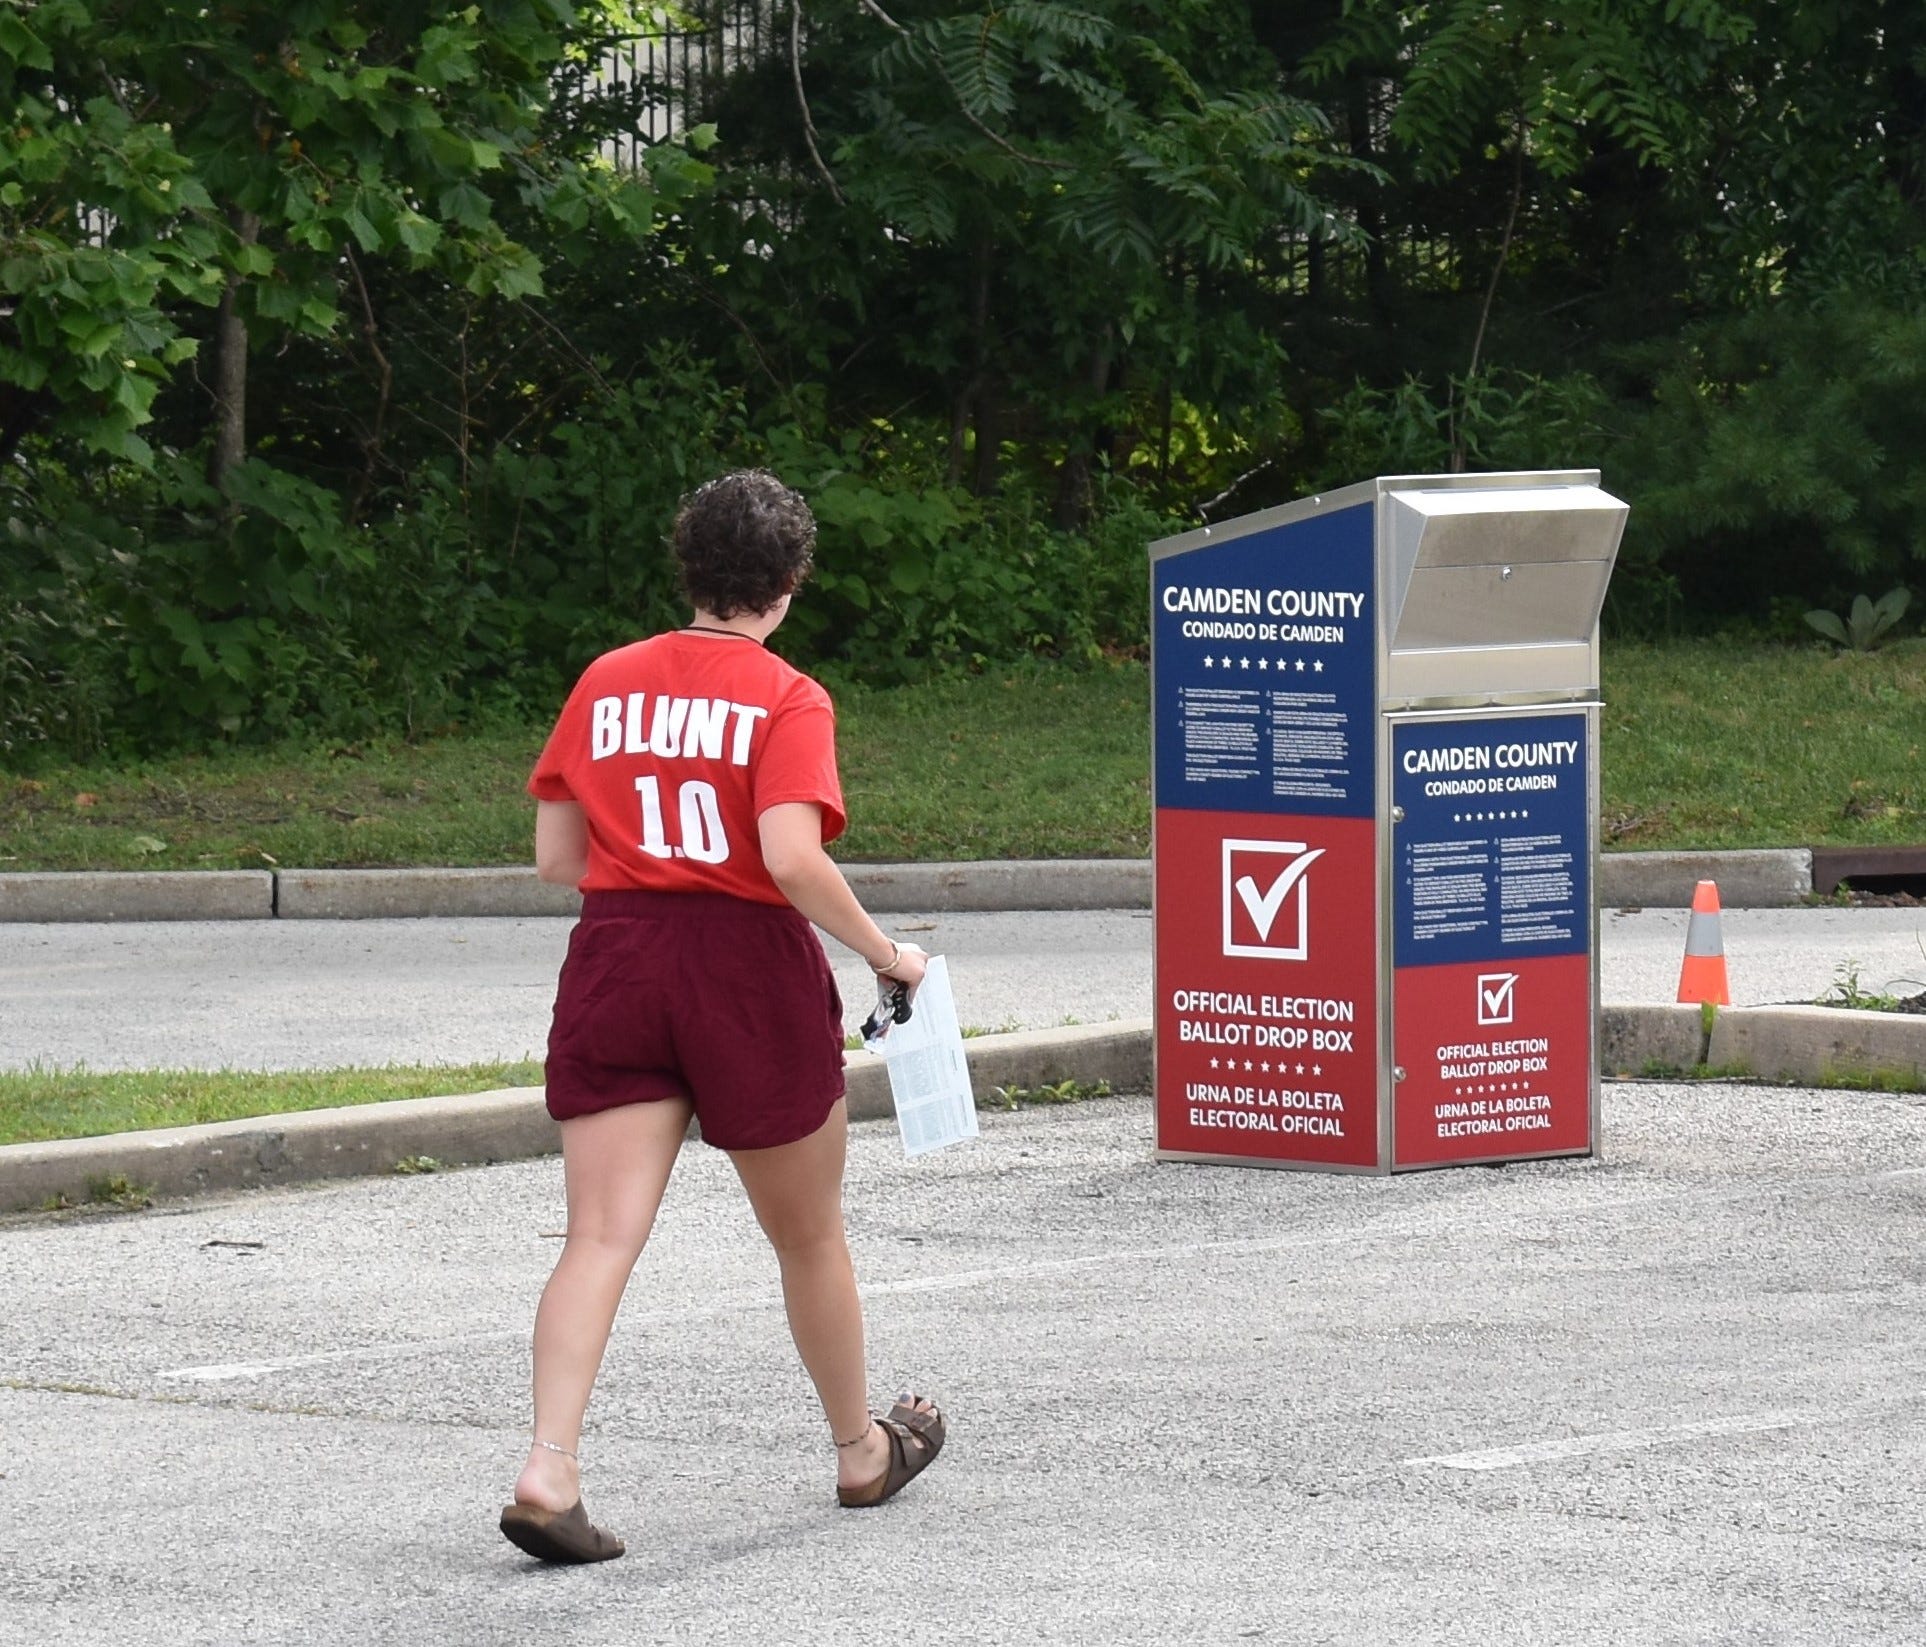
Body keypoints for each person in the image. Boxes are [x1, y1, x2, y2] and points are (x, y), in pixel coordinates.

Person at [498, 469, 946, 1565]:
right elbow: (791, 857)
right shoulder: (789, 697)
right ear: (789, 584)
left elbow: (557, 858)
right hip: (746, 970)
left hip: (618, 957)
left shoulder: (606, 680)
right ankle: (859, 1450)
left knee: (598, 1238)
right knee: (808, 1235)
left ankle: (549, 1468)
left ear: (688, 567)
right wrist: (888, 954)